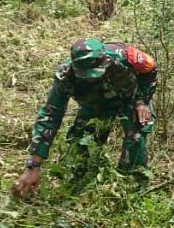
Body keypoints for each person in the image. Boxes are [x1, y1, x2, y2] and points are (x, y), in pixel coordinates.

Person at [12, 37, 157, 198]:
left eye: (95, 73)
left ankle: (131, 187)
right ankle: (82, 186)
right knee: (81, 147)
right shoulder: (65, 76)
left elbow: (150, 71)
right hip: (96, 105)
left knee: (136, 136)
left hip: (129, 98)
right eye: (86, 76)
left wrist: (142, 101)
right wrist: (34, 166)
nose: (92, 78)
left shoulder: (124, 55)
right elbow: (50, 116)